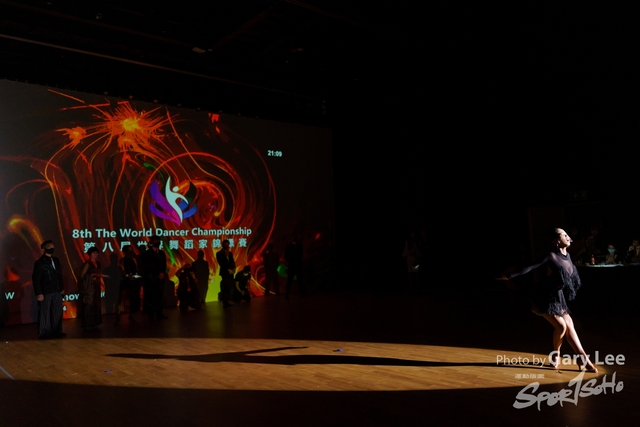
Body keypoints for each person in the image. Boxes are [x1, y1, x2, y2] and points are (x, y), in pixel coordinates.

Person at [501, 228, 598, 372]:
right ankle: (558, 353)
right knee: (561, 326)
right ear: (556, 241)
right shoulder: (551, 256)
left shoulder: (568, 257)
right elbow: (531, 266)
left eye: (567, 234)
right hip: (543, 295)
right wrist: (510, 275)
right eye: (563, 234)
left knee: (569, 325)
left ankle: (581, 357)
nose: (567, 236)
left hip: (558, 296)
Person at [32, 240, 66, 339]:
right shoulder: (40, 262)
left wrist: (61, 287)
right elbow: (36, 278)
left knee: (57, 312)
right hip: (46, 291)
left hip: (57, 290)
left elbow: (59, 275)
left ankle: (57, 331)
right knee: (45, 312)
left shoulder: (56, 260)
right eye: (49, 246)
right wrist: (39, 293)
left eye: (52, 246)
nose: (51, 248)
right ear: (43, 249)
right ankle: (44, 332)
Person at [78, 246, 105, 331]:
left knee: (96, 304)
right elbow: (82, 275)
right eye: (93, 253)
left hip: (96, 285)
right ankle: (87, 324)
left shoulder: (98, 263)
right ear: (90, 254)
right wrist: (92, 275)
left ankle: (94, 323)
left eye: (96, 253)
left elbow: (99, 273)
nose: (95, 254)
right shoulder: (87, 263)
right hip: (89, 286)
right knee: (89, 305)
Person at [141, 235, 168, 320]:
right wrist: (157, 273)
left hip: (160, 278)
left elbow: (164, 265)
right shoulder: (147, 253)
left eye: (159, 241)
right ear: (152, 242)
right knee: (151, 296)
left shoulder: (162, 253)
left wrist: (162, 273)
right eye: (156, 241)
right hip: (151, 278)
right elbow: (149, 266)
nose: (158, 243)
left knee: (159, 296)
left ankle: (159, 313)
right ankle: (151, 315)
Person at [115, 245, 142, 324]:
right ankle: (118, 316)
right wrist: (127, 275)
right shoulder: (122, 260)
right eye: (129, 250)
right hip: (125, 280)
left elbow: (137, 269)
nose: (131, 252)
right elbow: (122, 270)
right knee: (121, 298)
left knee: (133, 299)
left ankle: (132, 315)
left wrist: (136, 276)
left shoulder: (134, 259)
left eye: (131, 250)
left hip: (133, 281)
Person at [216, 239, 236, 307]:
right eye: (225, 244)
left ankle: (227, 300)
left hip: (231, 272)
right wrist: (228, 270)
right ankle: (225, 302)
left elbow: (232, 261)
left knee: (229, 287)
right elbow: (221, 263)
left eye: (227, 244)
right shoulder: (219, 253)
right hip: (225, 272)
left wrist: (234, 269)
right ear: (223, 245)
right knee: (225, 286)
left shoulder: (230, 253)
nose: (226, 245)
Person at [284, 233, 305, 298]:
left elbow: (300, 254)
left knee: (299, 279)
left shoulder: (299, 246)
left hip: (297, 264)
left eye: (295, 237)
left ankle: (301, 292)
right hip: (292, 264)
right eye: (293, 237)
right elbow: (286, 255)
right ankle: (287, 293)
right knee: (290, 279)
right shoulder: (289, 246)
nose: (294, 238)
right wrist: (290, 261)